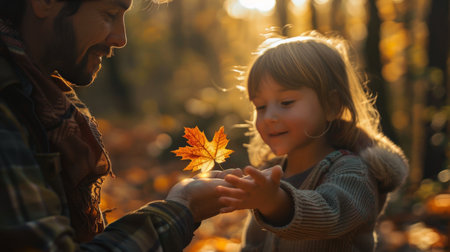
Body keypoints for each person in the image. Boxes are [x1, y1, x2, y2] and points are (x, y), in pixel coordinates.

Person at [0, 0, 233, 251]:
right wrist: (183, 208)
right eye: (110, 14)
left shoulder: (37, 97)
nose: (121, 38)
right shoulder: (8, 109)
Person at [216, 32, 409, 251]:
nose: (269, 116)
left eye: (286, 102)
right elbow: (253, 243)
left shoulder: (354, 172)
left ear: (331, 105)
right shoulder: (272, 174)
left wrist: (275, 203)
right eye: (260, 106)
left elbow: (330, 216)